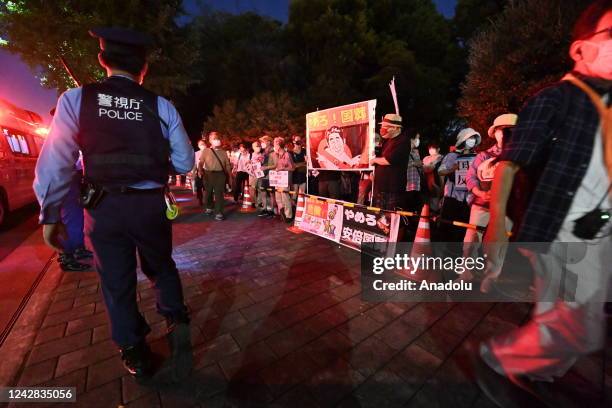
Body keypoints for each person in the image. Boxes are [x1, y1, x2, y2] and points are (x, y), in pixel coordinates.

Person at [34, 27, 194, 381]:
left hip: (103, 209)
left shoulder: (76, 99)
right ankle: (175, 317)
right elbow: (185, 162)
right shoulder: (160, 105)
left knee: (116, 282)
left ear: (102, 59)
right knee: (161, 266)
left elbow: (56, 162)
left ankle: (134, 351)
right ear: (144, 68)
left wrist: (50, 214)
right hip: (150, 206)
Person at [475, 2, 612, 405]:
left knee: (581, 319)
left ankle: (543, 372)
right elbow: (509, 166)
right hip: (560, 230)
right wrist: (497, 223)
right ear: (580, 49)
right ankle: (500, 362)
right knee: (578, 323)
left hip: (598, 229)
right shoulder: (554, 101)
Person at [437, 128, 481, 242]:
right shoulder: (452, 156)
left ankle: (457, 255)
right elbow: (440, 171)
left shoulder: (477, 157)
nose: (471, 141)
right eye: (469, 138)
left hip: (468, 199)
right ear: (463, 140)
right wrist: (453, 169)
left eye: (473, 139)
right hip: (452, 198)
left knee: (462, 230)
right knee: (447, 229)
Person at [58, 157, 93, 271]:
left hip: (71, 175)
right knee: (71, 218)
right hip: (66, 176)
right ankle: (67, 257)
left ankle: (78, 249)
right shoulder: (59, 142)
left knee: (76, 217)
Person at [371, 114, 411, 211]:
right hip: (381, 188)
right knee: (379, 217)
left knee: (391, 218)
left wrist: (373, 160)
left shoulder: (403, 141)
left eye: (385, 126)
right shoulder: (387, 141)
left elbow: (389, 160)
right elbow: (381, 158)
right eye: (381, 126)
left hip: (393, 189)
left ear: (395, 128)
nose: (382, 129)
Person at [198, 132, 230, 220]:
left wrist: (230, 176)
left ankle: (219, 212)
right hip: (208, 174)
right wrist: (200, 170)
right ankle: (209, 207)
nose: (216, 140)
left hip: (220, 174)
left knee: (219, 193)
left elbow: (227, 165)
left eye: (217, 138)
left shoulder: (224, 152)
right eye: (214, 139)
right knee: (208, 193)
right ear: (210, 141)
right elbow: (201, 162)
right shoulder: (206, 151)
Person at [266, 137, 295, 223]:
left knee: (285, 197)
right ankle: (282, 214)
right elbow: (275, 166)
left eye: (275, 143)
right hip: (277, 180)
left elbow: (292, 168)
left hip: (284, 180)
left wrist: (282, 168)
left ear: (279, 145)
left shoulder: (287, 155)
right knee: (278, 198)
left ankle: (289, 215)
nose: (274, 145)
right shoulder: (276, 155)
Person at [423, 142, 444, 212]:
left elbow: (429, 168)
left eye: (433, 148)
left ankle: (435, 214)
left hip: (435, 181)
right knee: (426, 201)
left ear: (438, 149)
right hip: (425, 182)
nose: (431, 150)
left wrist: (421, 166)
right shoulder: (426, 158)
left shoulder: (440, 158)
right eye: (430, 149)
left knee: (435, 200)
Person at [249, 141, 265, 213]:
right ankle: (254, 202)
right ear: (253, 147)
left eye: (259, 146)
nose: (258, 147)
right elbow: (246, 165)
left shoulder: (263, 155)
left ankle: (259, 203)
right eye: (256, 146)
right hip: (252, 175)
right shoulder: (250, 155)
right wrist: (250, 170)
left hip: (260, 175)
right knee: (252, 189)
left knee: (260, 189)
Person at [193, 139, 206, 206]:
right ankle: (200, 199)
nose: (202, 145)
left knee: (207, 186)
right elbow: (195, 164)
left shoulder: (208, 152)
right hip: (199, 171)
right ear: (198, 146)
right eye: (200, 144)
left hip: (207, 171)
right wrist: (193, 173)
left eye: (203, 144)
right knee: (199, 186)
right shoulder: (196, 153)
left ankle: (208, 199)